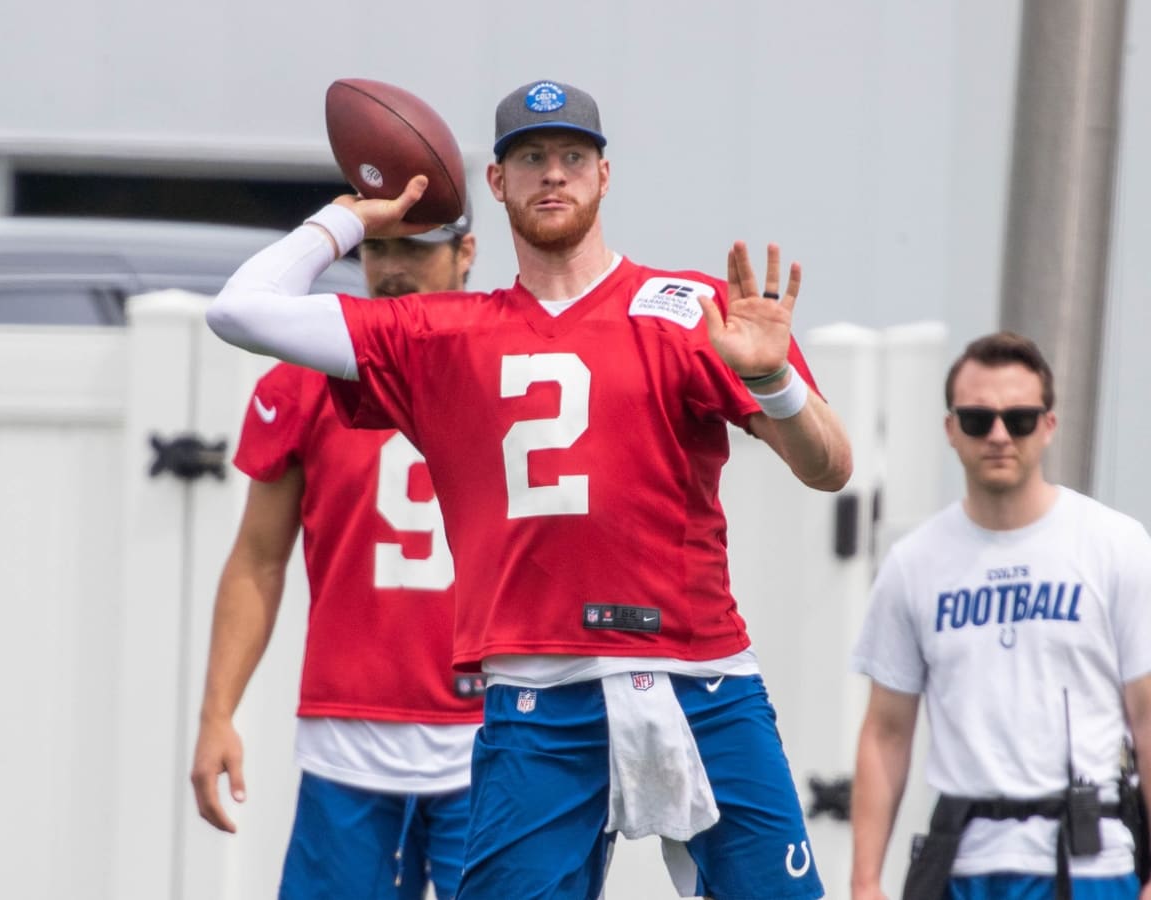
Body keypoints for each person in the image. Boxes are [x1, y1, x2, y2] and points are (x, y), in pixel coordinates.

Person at [206, 78, 853, 899]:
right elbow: (239, 310)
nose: (555, 175)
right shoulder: (440, 331)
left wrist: (774, 386)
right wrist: (349, 218)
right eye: (532, 158)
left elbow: (830, 466)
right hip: (537, 701)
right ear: (497, 183)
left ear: (605, 175)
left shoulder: (690, 308)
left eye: (572, 157)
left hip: (702, 674)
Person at [190, 209, 482, 900]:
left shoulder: (511, 359)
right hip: (349, 737)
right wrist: (217, 714)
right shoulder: (305, 375)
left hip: (494, 734)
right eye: (374, 247)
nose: (390, 266)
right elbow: (258, 558)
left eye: (413, 245)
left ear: (466, 250)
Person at [849, 331, 1151, 900]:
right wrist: (865, 881)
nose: (997, 436)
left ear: (1048, 426)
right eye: (976, 419)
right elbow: (887, 732)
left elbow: (1147, 716)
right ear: (949, 430)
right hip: (962, 864)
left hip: (1090, 860)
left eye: (1019, 419)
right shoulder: (914, 563)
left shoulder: (1115, 544)